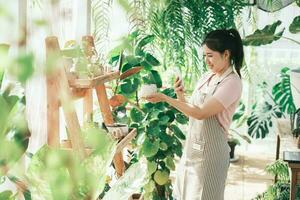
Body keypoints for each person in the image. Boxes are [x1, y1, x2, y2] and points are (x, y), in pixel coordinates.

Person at [144, 28, 244, 200]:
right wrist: (180, 95)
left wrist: (165, 98)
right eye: (204, 55)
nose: (207, 61)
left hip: (211, 158)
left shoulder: (232, 82)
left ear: (226, 54)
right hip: (192, 151)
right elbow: (192, 109)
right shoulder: (207, 76)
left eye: (210, 55)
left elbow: (201, 113)